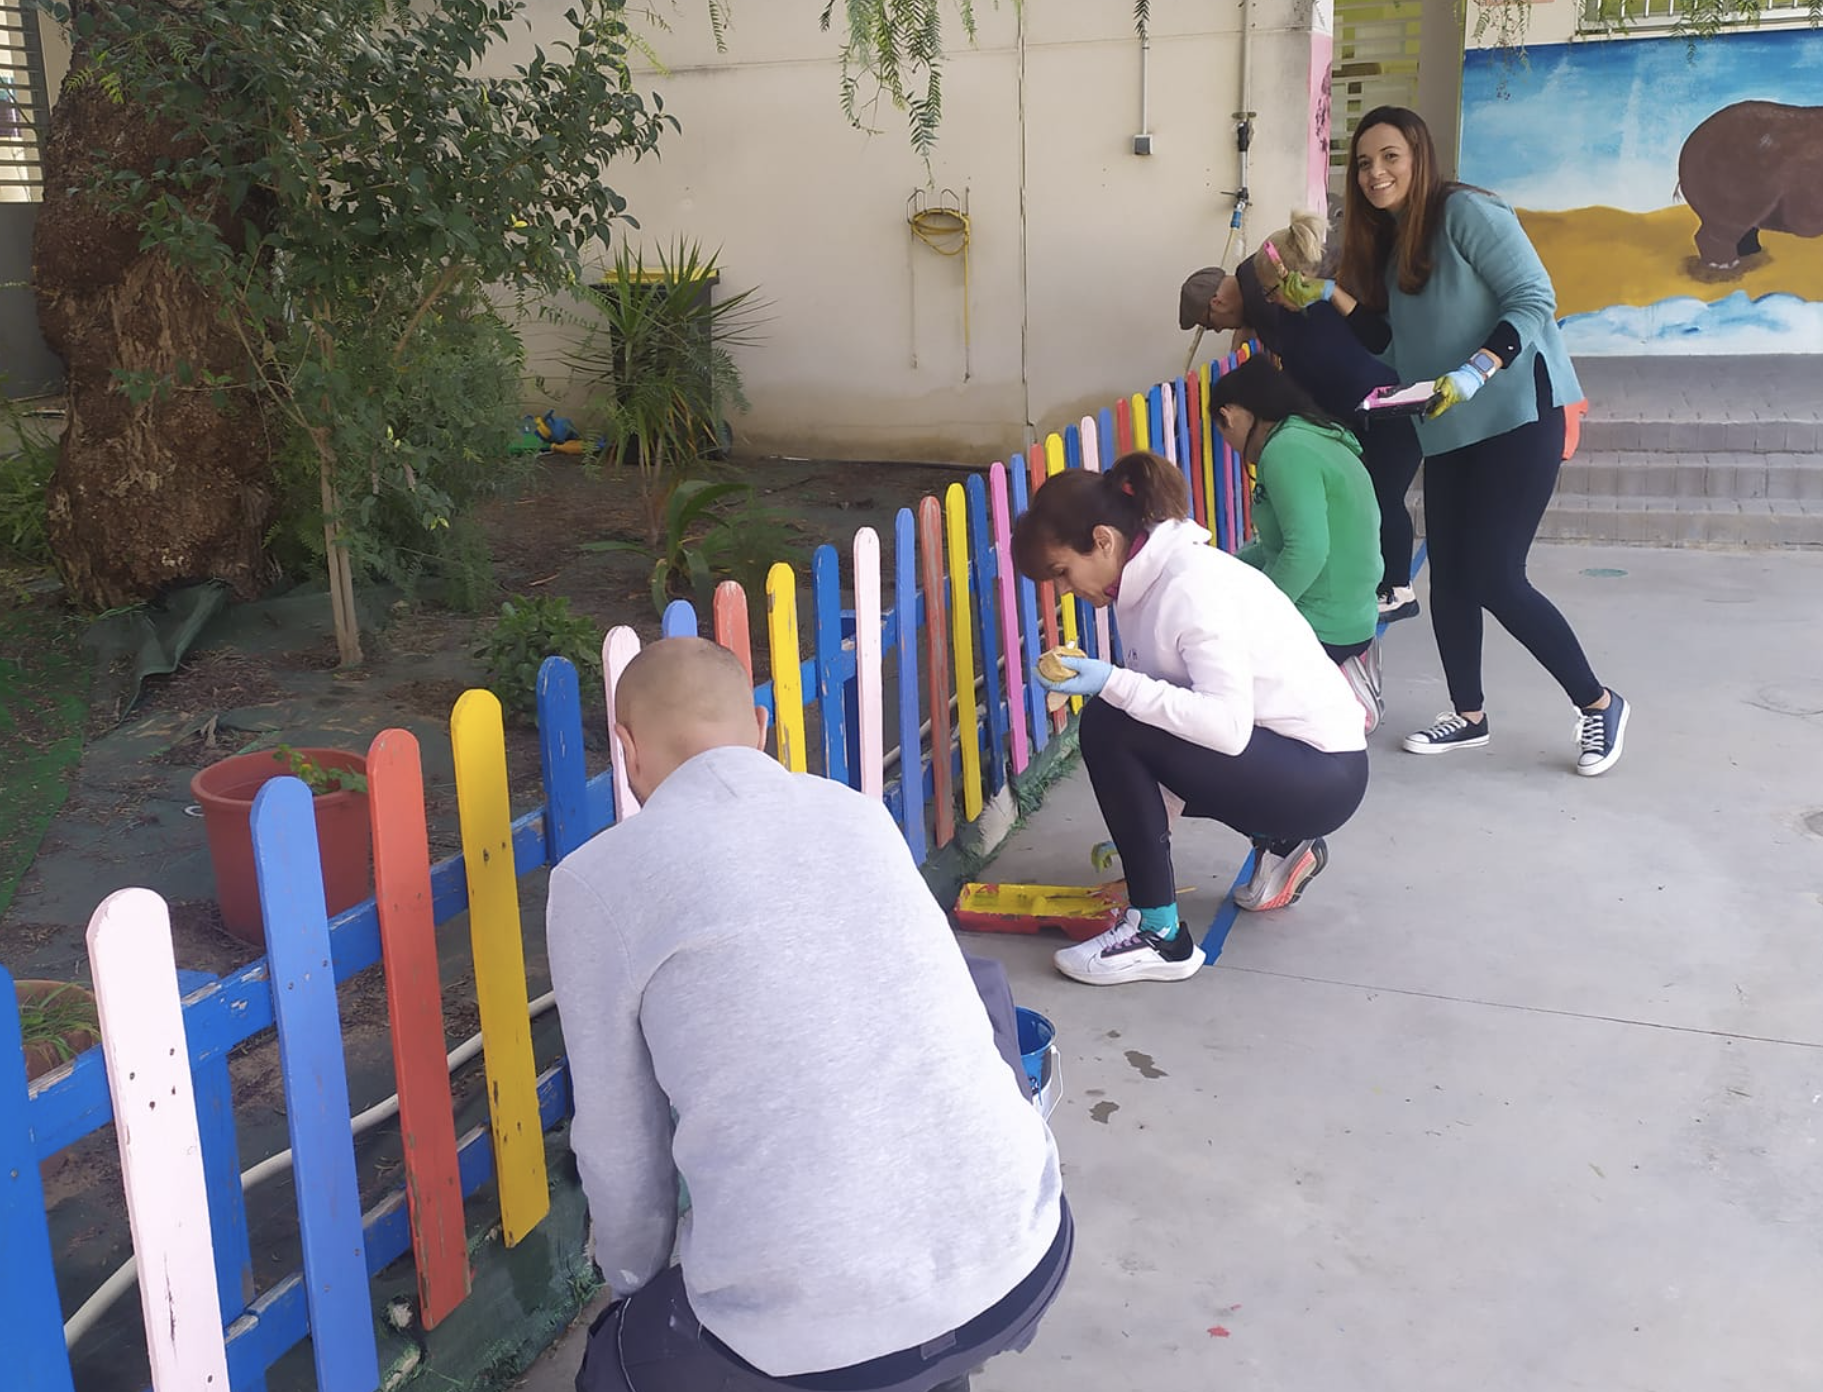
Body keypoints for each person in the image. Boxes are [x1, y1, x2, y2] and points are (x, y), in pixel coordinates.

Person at [547, 637, 1071, 1392]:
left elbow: (619, 1144)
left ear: (625, 750)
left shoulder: (597, 882)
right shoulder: (855, 812)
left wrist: (636, 1282)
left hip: (820, 1334)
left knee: (616, 1362)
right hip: (1025, 1250)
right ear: (761, 725)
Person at [1280, 104, 1630, 776]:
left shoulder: (1466, 213)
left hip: (1516, 413)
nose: (1376, 172)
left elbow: (1533, 297)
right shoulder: (1384, 240)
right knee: (1451, 581)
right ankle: (1468, 717)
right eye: (1364, 162)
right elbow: (1389, 341)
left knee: (1496, 574)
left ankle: (1599, 702)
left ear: (1419, 156)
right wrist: (1326, 295)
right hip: (1445, 423)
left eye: (1390, 157)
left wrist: (1477, 368)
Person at [1016, 453, 1371, 982]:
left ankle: (1160, 937)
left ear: (1104, 540)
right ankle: (1281, 847)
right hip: (1301, 762)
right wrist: (1143, 831)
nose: (1066, 590)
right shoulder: (1148, 579)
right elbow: (1177, 714)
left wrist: (1111, 680)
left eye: (1063, 572)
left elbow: (1223, 728)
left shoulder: (1188, 587)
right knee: (1123, 716)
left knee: (1109, 721)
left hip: (1320, 776)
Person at [1178, 212, 1425, 623]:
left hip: (1388, 409)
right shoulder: (1292, 320)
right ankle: (1380, 582)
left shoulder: (1324, 310)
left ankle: (1399, 588)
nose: (1269, 300)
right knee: (1369, 498)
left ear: (1295, 281)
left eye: (1272, 292)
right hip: (1359, 416)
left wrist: (1327, 293)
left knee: (1385, 496)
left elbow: (1366, 344)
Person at [1210, 356, 1385, 730]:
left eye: (1222, 431)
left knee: (1209, 661)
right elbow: (1275, 546)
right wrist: (1218, 570)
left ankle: (1332, 688)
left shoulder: (1286, 451)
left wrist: (1259, 614)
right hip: (1351, 614)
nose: (1228, 443)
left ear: (1232, 415)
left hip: (1325, 625)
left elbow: (1306, 552)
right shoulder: (1308, 434)